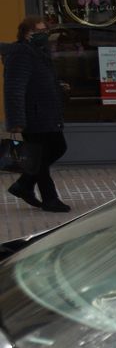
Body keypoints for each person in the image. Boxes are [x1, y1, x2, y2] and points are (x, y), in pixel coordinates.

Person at [5, 16, 71, 213]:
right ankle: (49, 199)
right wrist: (16, 120)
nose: (44, 35)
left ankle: (24, 185)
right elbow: (14, 87)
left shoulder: (39, 52)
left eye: (45, 31)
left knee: (58, 147)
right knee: (40, 157)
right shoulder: (21, 53)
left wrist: (58, 87)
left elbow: (38, 81)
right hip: (33, 115)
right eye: (39, 32)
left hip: (47, 114)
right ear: (27, 33)